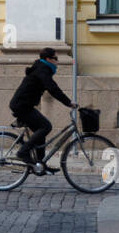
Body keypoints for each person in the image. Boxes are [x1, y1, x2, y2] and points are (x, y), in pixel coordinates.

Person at [8, 46, 77, 174]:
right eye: (55, 58)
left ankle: (40, 165)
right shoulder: (42, 70)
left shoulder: (42, 68)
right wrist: (68, 103)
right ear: (48, 59)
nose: (58, 61)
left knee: (41, 134)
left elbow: (51, 87)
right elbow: (52, 88)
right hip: (22, 106)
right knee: (46, 127)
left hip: (23, 105)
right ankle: (23, 152)